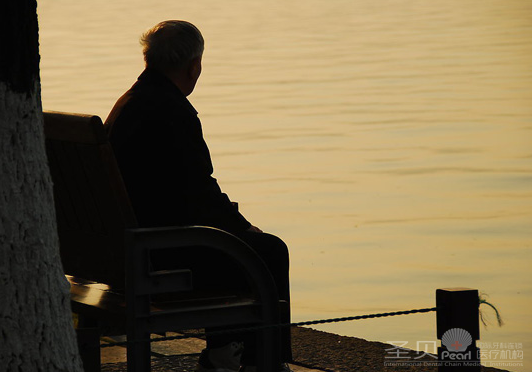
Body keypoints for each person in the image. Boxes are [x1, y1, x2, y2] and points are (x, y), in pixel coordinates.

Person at [105, 20, 292, 372]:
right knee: (267, 251)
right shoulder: (172, 111)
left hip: (120, 250)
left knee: (234, 244)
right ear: (194, 66)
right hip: (155, 255)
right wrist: (243, 226)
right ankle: (263, 362)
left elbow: (188, 191)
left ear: (149, 60)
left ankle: (225, 352)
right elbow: (200, 192)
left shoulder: (129, 103)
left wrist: (233, 225)